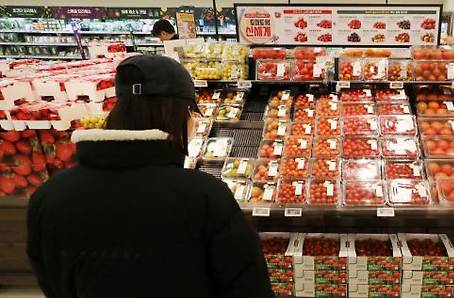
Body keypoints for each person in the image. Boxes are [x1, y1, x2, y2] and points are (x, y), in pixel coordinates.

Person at [26, 55, 274, 298]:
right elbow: (247, 286)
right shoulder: (205, 196)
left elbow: (53, 284)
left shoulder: (48, 198)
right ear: (178, 114)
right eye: (192, 113)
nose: (195, 123)